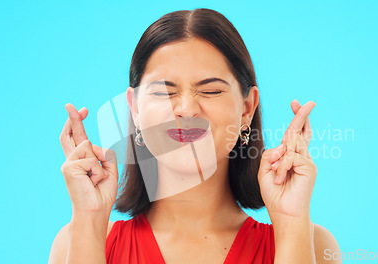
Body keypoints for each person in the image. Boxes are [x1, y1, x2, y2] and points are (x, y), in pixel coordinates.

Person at [49, 8, 341, 264]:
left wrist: (291, 223)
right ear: (135, 109)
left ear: (246, 109)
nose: (187, 109)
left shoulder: (313, 244)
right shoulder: (78, 240)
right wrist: (89, 219)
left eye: (211, 90)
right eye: (164, 91)